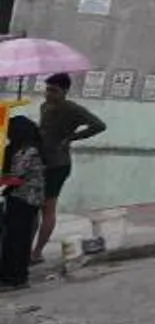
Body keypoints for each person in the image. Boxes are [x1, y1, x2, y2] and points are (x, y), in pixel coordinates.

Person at [33, 75, 104, 257]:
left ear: (65, 91)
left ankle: (37, 252)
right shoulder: (45, 107)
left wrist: (72, 138)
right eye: (47, 89)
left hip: (58, 164)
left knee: (48, 207)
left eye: (54, 91)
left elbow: (98, 125)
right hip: (39, 162)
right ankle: (27, 248)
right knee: (32, 206)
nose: (49, 94)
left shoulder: (72, 109)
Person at [0, 115, 43, 287]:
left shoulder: (28, 151)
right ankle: (10, 275)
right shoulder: (19, 149)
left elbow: (16, 178)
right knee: (12, 238)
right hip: (17, 197)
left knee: (18, 239)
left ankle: (16, 277)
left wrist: (3, 180)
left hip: (25, 199)